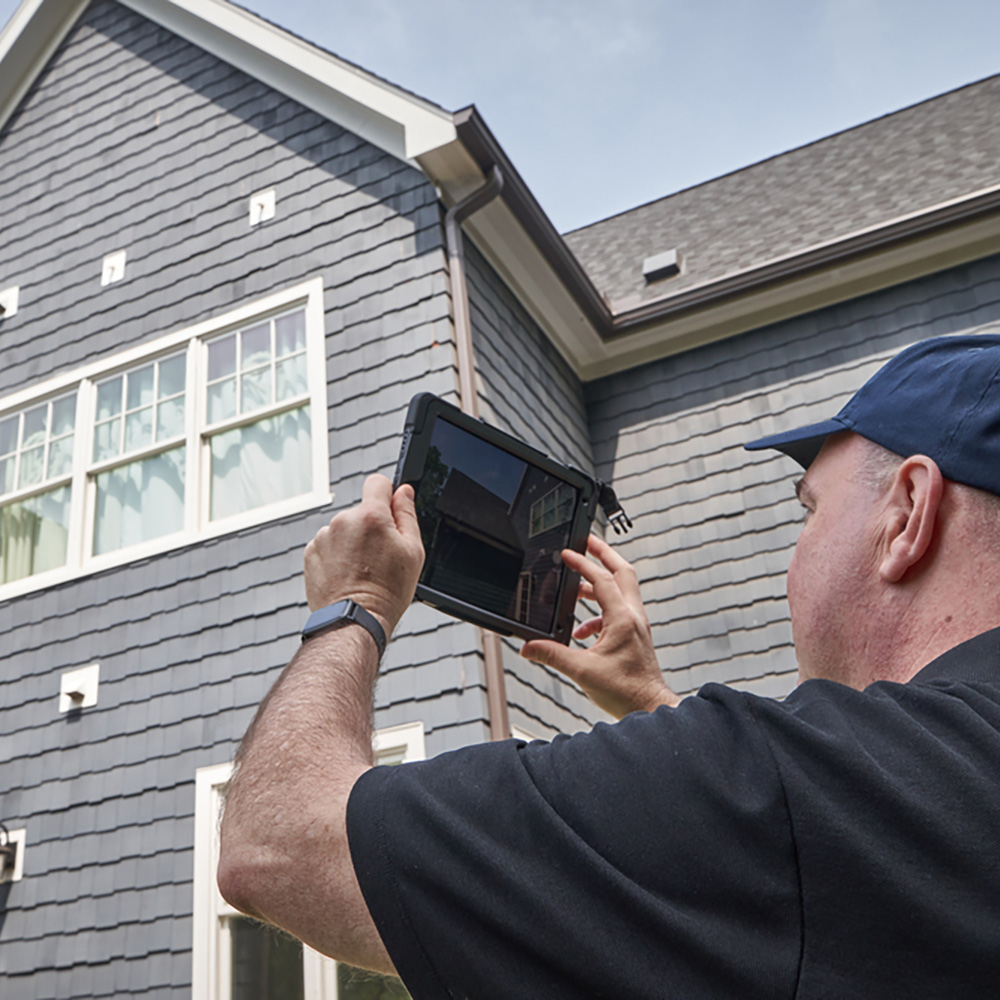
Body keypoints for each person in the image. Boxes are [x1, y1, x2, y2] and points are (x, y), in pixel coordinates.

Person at [218, 334, 1000, 998]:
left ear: (907, 513)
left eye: (809, 508)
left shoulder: (787, 788)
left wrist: (352, 603)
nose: (794, 552)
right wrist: (651, 704)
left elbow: (276, 848)